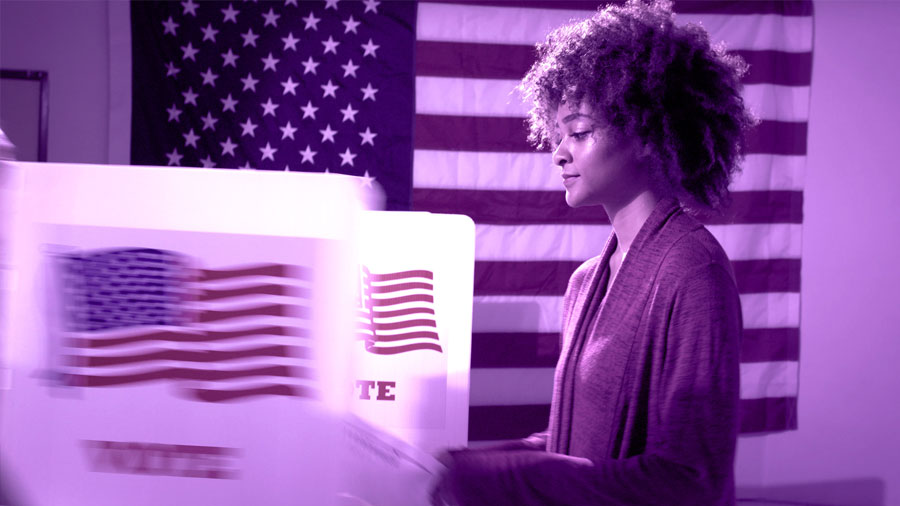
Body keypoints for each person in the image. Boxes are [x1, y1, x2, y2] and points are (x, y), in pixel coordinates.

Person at [430, 1, 757, 504]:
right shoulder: (586, 281)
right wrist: (469, 463)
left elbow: (690, 480)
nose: (558, 151)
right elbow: (573, 444)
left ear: (649, 135)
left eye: (579, 133)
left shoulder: (695, 272)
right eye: (557, 135)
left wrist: (509, 478)